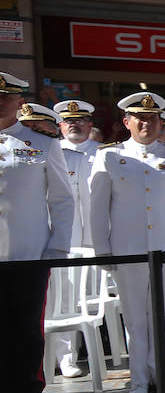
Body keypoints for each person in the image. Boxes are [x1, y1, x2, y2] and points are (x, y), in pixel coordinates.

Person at [91, 91, 165, 393]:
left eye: (152, 118)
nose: (146, 123)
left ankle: (164, 375)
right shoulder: (109, 156)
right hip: (128, 249)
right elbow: (98, 208)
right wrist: (103, 251)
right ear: (127, 122)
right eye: (139, 118)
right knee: (135, 318)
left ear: (160, 122)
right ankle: (139, 379)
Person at [0, 74, 74, 393]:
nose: (1, 101)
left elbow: (61, 198)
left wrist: (58, 247)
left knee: (27, 326)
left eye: (7, 97)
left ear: (19, 103)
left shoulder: (43, 143)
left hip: (28, 251)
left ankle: (28, 390)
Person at [52, 99, 99, 377]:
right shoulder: (51, 152)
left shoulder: (104, 153)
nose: (75, 124)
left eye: (81, 120)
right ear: (60, 125)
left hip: (94, 238)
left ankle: (103, 351)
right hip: (66, 239)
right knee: (66, 298)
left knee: (96, 301)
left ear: (90, 124)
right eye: (69, 121)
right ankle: (66, 357)